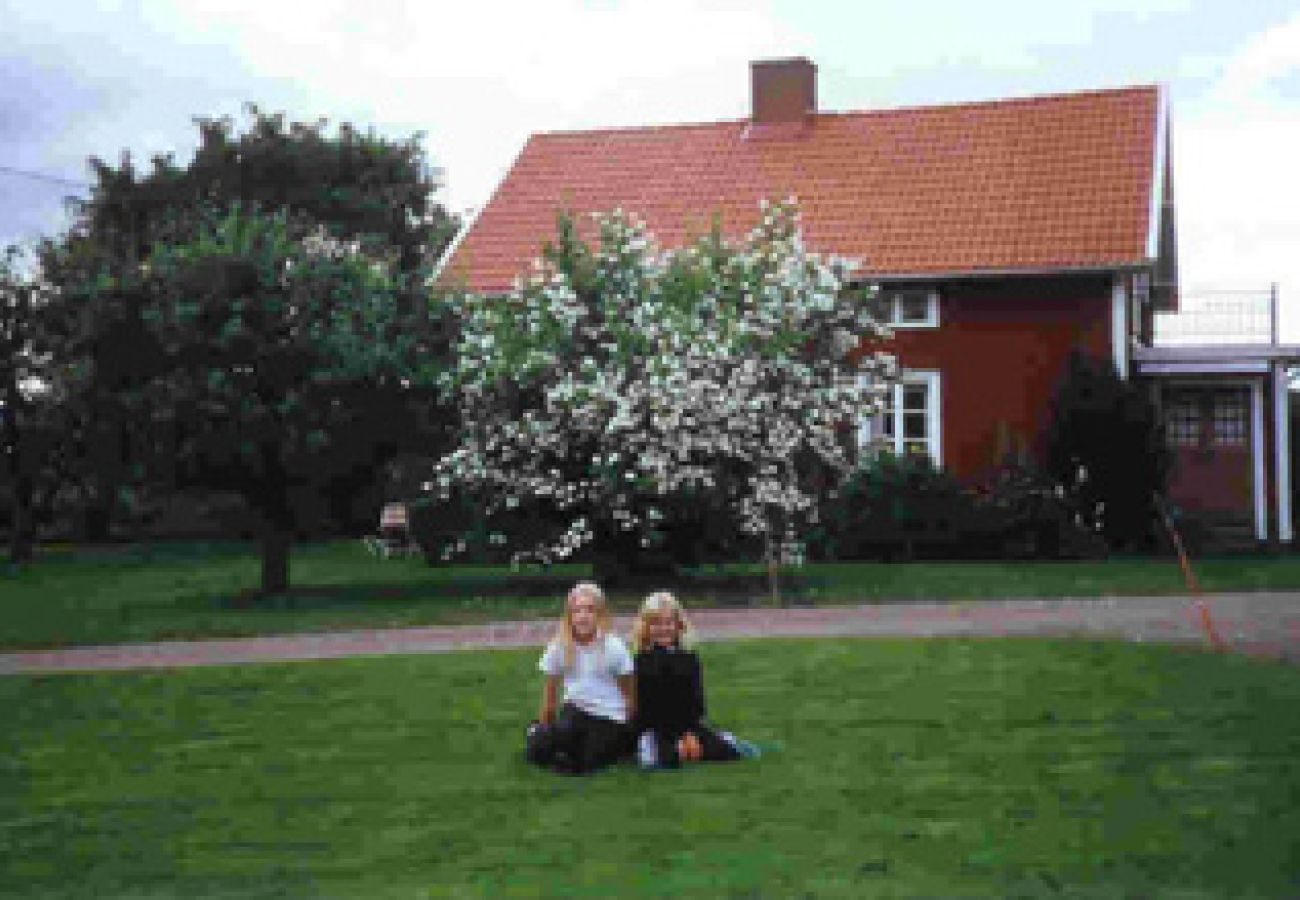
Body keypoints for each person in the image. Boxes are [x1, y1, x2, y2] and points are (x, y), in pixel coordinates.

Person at [629, 591, 758, 769]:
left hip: (687, 723)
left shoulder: (689, 659)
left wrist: (689, 733)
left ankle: (721, 738)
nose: (664, 629)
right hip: (655, 727)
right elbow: (644, 707)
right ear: (646, 627)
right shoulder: (641, 661)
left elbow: (697, 701)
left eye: (669, 623)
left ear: (678, 625)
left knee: (724, 752)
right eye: (656, 624)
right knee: (662, 760)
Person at [525, 581, 636, 774]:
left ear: (600, 615)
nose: (583, 617)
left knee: (585, 762)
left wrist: (628, 728)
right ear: (569, 617)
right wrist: (545, 724)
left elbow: (629, 696)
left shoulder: (614, 647)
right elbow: (550, 699)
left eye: (590, 610)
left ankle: (588, 752)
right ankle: (539, 734)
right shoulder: (559, 647)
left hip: (608, 717)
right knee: (538, 751)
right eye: (577, 611)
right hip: (575, 711)